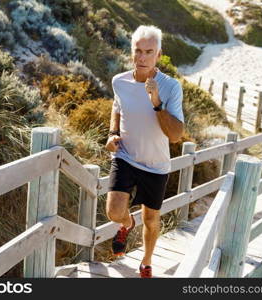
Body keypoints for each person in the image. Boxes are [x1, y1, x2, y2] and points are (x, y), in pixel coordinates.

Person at [105, 25, 185, 278]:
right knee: (113, 211)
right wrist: (112, 134)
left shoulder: (171, 87)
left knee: (151, 219)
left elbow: (175, 135)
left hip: (156, 164)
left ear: (159, 54)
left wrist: (157, 104)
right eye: (137, 51)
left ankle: (146, 262)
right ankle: (126, 224)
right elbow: (117, 107)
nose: (142, 58)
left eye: (148, 52)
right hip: (126, 156)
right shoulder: (120, 81)